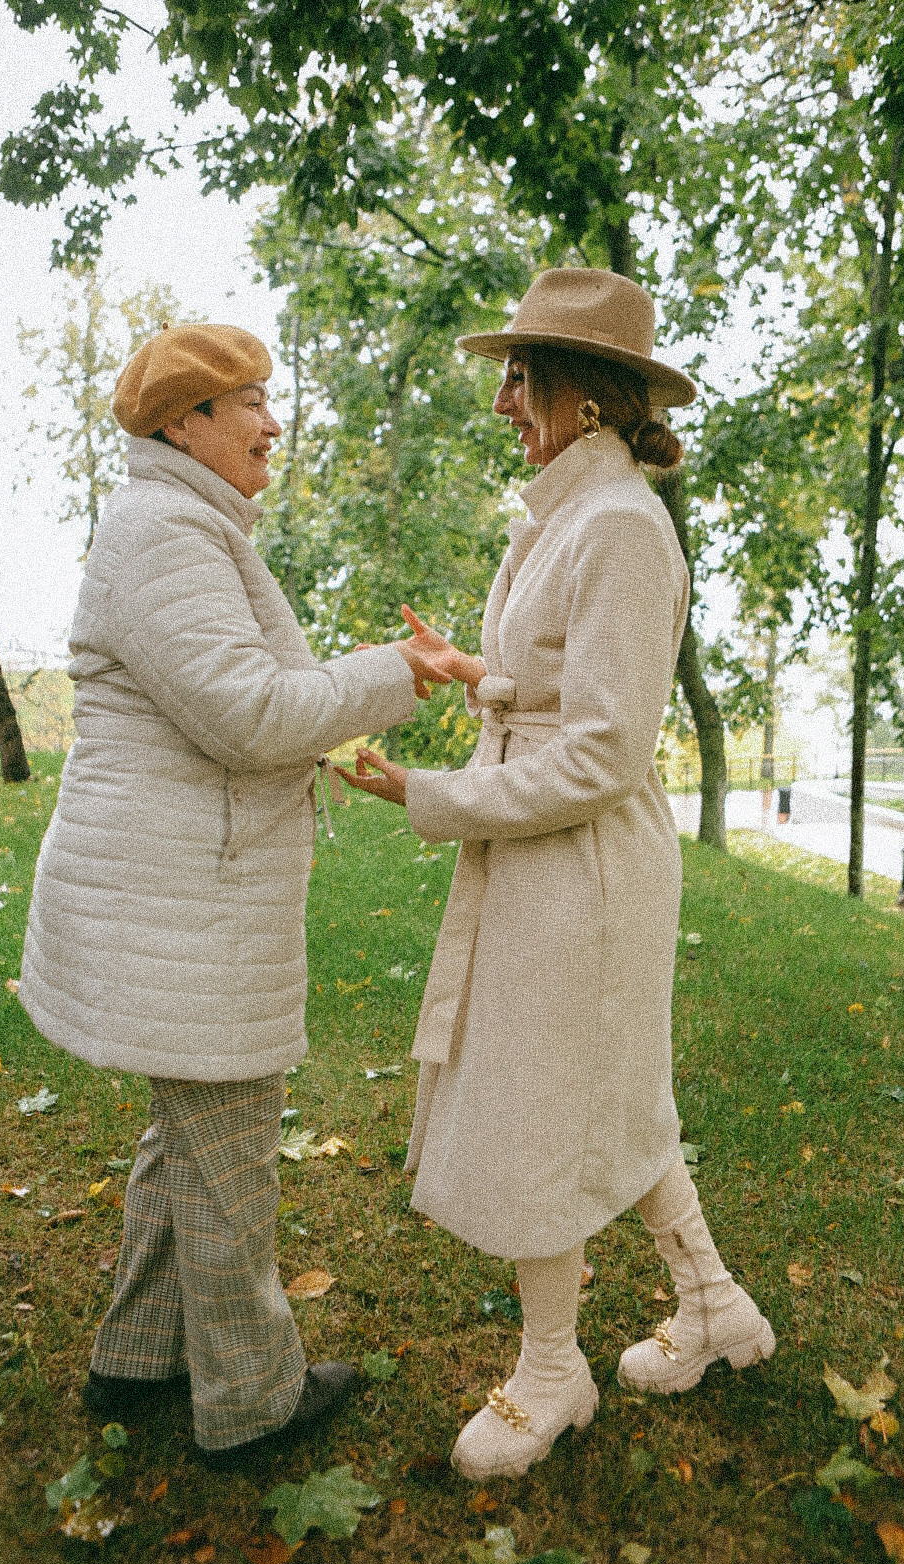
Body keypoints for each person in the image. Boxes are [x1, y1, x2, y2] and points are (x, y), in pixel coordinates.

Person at [339, 268, 775, 1482]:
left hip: (584, 868)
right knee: (614, 1094)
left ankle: (550, 1373)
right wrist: (475, 673)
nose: (503, 401)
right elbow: (558, 687)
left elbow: (601, 751)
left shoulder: (624, 528)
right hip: (549, 862)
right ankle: (717, 1309)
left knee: (544, 1102)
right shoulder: (572, 517)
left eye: (521, 375)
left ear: (587, 396)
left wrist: (427, 795)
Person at [19, 322, 444, 1466]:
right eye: (246, 401)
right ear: (182, 425)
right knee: (228, 1156)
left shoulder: (179, 525)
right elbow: (251, 718)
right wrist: (398, 673)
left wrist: (361, 681)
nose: (271, 420)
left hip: (180, 904)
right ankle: (252, 1401)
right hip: (180, 912)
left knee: (192, 1137)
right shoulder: (163, 533)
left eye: (268, 394)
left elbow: (248, 695)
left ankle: (135, 1355)